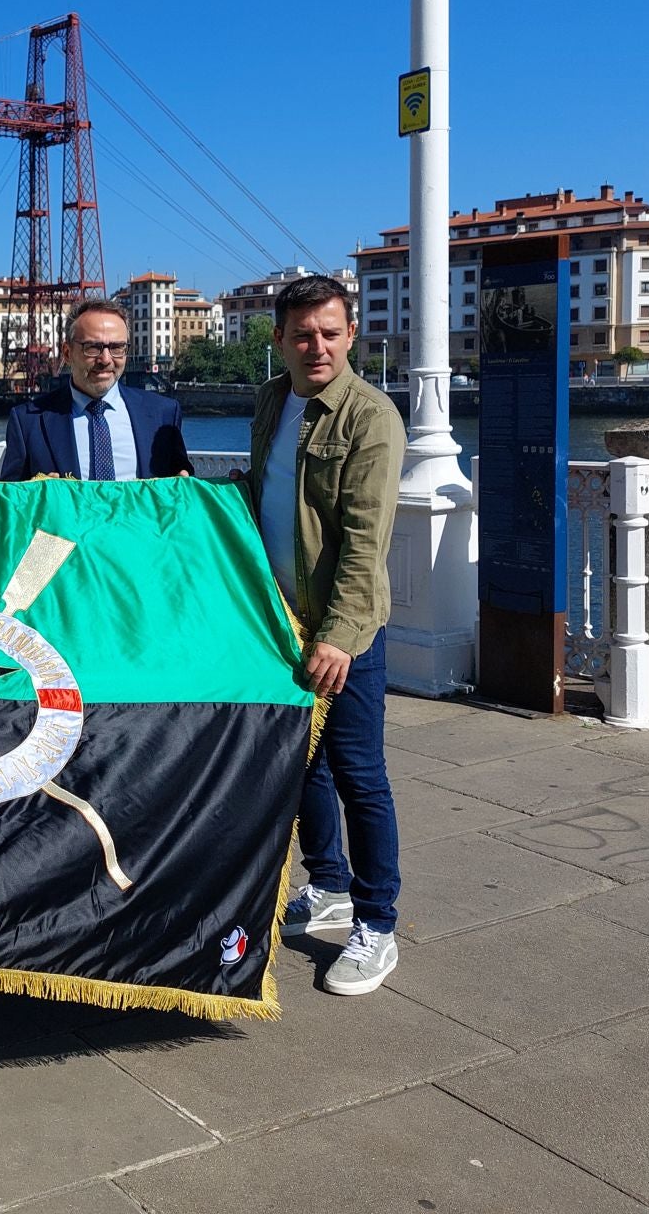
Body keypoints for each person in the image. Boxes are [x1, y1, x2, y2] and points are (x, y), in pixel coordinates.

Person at [249, 275, 406, 996]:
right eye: (303, 334)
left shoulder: (369, 419)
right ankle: (328, 884)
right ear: (280, 340)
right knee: (302, 768)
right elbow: (257, 496)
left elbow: (364, 542)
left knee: (357, 773)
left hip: (342, 632)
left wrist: (339, 636)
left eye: (330, 333)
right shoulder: (275, 401)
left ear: (351, 336)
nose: (317, 346)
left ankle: (377, 923)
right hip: (281, 619)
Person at [0, 299, 191, 481]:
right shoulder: (27, 421)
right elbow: (9, 501)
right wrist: (36, 494)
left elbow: (182, 483)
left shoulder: (163, 413)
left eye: (117, 347)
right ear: (67, 353)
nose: (106, 359)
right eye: (92, 348)